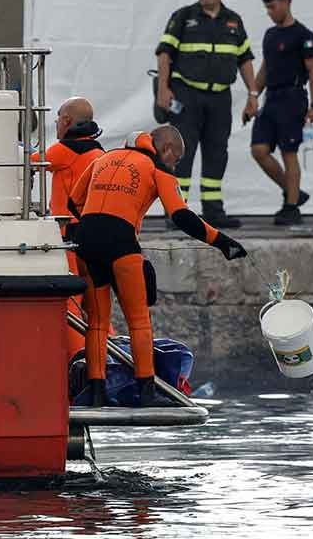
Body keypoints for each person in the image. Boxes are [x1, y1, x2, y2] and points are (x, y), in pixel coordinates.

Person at [68, 125, 247, 407]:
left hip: (86, 241)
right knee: (138, 320)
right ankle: (147, 390)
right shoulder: (157, 169)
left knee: (98, 321)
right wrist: (223, 242)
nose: (175, 165)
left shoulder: (103, 158)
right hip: (121, 243)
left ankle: (96, 390)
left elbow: (73, 201)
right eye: (176, 159)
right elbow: (182, 216)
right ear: (166, 150)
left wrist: (98, 225)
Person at [154, 0, 258, 228]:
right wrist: (163, 89)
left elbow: (245, 59)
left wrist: (253, 94)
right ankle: (178, 212)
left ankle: (213, 211)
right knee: (181, 153)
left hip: (220, 97)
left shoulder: (233, 21)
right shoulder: (184, 17)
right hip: (187, 94)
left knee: (216, 152)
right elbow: (165, 53)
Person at [30, 97, 107, 360]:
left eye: (58, 119)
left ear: (65, 121)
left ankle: (78, 359)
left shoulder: (64, 150)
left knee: (71, 298)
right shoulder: (100, 152)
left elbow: (32, 162)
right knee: (97, 303)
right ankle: (107, 353)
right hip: (96, 235)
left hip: (69, 236)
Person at [244, 0, 313, 225]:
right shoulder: (270, 34)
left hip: (293, 98)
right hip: (272, 99)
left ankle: (291, 206)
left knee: (289, 153)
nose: (269, 12)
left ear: (286, 2)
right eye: (266, 7)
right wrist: (253, 97)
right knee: (259, 150)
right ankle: (294, 191)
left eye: (272, 6)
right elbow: (266, 68)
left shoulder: (303, 35)